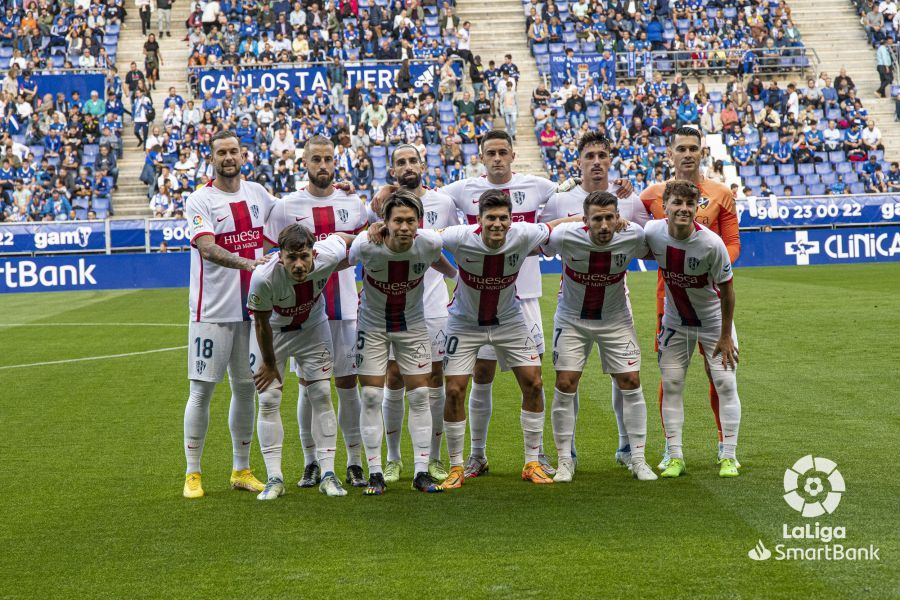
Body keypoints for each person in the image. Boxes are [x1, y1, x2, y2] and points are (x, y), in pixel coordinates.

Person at [436, 189, 576, 489]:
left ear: (511, 219)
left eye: (503, 218)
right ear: (480, 220)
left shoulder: (523, 233)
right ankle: (457, 466)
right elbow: (422, 236)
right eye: (491, 218)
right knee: (455, 390)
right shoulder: (459, 236)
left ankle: (531, 462)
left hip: (510, 322)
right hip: (465, 323)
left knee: (534, 383)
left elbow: (558, 225)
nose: (497, 224)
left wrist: (590, 220)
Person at [263, 135, 369, 489]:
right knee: (310, 386)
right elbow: (270, 257)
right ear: (304, 163)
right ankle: (311, 462)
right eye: (316, 160)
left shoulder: (353, 203)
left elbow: (370, 242)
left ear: (335, 162)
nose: (323, 166)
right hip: (305, 312)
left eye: (328, 159)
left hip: (347, 306)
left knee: (347, 383)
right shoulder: (285, 207)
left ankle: (354, 461)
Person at [540, 131, 650, 468]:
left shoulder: (628, 198)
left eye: (603, 155)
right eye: (590, 156)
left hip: (617, 304)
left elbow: (645, 240)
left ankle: (628, 450)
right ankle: (567, 456)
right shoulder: (561, 199)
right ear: (580, 161)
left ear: (610, 159)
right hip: (572, 303)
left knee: (626, 377)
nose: (597, 162)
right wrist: (578, 222)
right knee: (567, 379)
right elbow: (543, 240)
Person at [639, 126, 740, 469]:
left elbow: (733, 242)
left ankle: (726, 447)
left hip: (708, 291)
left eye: (693, 148)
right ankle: (672, 451)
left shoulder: (721, 193)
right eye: (680, 147)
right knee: (671, 377)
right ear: (671, 153)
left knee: (720, 376)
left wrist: (710, 263)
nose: (687, 153)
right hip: (668, 297)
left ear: (701, 152)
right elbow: (637, 234)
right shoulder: (651, 194)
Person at [182, 130, 273, 499]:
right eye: (221, 152)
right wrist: (249, 263)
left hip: (249, 311)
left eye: (234, 150)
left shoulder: (258, 194)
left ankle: (241, 469)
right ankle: (192, 473)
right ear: (212, 157)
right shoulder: (200, 199)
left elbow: (292, 212)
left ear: (242, 154)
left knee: (246, 388)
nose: (228, 157)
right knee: (201, 391)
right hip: (212, 312)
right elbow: (207, 247)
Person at [350, 191, 457, 495]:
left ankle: (421, 472)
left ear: (419, 223)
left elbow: (438, 260)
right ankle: (375, 473)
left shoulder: (429, 242)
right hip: (372, 328)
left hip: (413, 328)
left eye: (411, 220)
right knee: (371, 397)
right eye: (398, 220)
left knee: (421, 396)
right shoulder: (366, 245)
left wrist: (457, 277)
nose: (405, 227)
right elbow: (340, 261)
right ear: (384, 223)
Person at [248, 224, 356, 500]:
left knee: (320, 393)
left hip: (312, 328)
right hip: (274, 333)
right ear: (279, 256)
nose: (298, 265)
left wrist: (370, 234)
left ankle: (328, 474)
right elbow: (260, 323)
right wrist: (270, 365)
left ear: (313, 252)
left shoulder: (327, 255)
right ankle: (275, 478)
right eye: (291, 258)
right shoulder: (263, 277)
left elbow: (342, 238)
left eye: (304, 257)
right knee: (269, 399)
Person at [379, 145, 460, 485]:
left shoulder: (443, 203)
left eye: (413, 160)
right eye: (401, 162)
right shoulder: (383, 205)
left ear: (423, 164)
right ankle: (393, 458)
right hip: (395, 306)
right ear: (392, 169)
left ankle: (435, 458)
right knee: (395, 377)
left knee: (434, 380)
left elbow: (458, 243)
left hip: (434, 307)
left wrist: (459, 278)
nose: (408, 166)